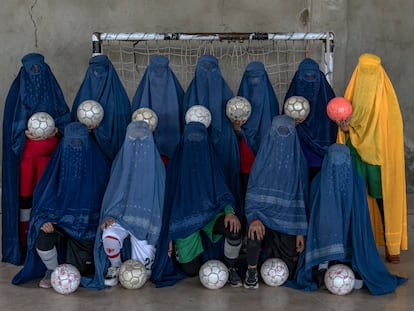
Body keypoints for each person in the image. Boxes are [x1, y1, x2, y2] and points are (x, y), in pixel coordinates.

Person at [292, 143, 407, 295]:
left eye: (342, 161)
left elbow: (360, 220)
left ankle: (352, 263)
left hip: (349, 238)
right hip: (324, 236)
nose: (337, 167)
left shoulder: (356, 182)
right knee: (325, 220)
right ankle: (323, 264)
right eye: (334, 161)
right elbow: (312, 219)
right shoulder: (318, 182)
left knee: (358, 284)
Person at [12, 122, 111, 288]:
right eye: (71, 144)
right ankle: (51, 270)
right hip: (60, 223)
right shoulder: (55, 169)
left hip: (86, 229)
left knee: (81, 270)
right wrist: (43, 220)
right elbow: (43, 200)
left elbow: (106, 207)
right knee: (43, 238)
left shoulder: (99, 171)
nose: (75, 149)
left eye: (80, 143)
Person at [152, 120, 243, 288]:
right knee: (191, 270)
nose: (195, 143)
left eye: (199, 138)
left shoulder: (211, 160)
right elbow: (169, 201)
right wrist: (169, 235)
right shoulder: (176, 165)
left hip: (211, 213)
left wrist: (230, 212)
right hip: (184, 219)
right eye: (190, 138)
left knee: (233, 229)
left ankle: (231, 268)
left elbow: (223, 190)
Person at [336, 53, 407, 264]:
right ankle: (351, 244)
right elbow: (347, 118)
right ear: (358, 73)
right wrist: (345, 128)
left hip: (379, 157)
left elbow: (392, 132)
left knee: (383, 198)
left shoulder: (388, 102)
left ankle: (391, 245)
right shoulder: (352, 94)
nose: (367, 76)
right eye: (364, 72)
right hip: (355, 151)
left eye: (372, 72)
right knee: (353, 196)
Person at [2, 53, 71, 265]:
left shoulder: (53, 91)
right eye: (31, 70)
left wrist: (56, 129)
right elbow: (11, 127)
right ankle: (24, 245)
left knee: (47, 199)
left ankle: (47, 245)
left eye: (39, 70)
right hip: (25, 160)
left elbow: (65, 117)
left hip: (49, 160)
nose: (36, 75)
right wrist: (24, 133)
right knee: (25, 202)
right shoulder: (17, 94)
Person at [85, 121, 166, 288]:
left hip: (147, 221)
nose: (137, 145)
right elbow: (113, 194)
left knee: (146, 273)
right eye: (132, 139)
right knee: (108, 235)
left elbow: (160, 199)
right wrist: (109, 216)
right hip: (120, 216)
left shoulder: (157, 166)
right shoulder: (120, 163)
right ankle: (115, 266)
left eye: (142, 139)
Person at [243, 115, 308, 289]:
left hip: (287, 220)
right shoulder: (261, 163)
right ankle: (251, 271)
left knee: (289, 268)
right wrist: (254, 218)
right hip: (261, 216)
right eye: (279, 132)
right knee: (254, 233)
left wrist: (299, 231)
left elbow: (300, 199)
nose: (282, 138)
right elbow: (251, 196)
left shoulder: (298, 164)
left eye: (287, 133)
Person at [183, 55, 242, 218]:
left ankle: (230, 222)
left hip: (224, 146)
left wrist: (237, 129)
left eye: (212, 71)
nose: (209, 77)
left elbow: (235, 124)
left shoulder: (228, 96)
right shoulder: (189, 97)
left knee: (226, 182)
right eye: (204, 71)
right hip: (198, 148)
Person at [234, 61, 280, 234]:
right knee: (244, 197)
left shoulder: (272, 103)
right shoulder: (238, 104)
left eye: (258, 79)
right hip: (244, 162)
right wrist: (237, 130)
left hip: (265, 163)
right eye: (251, 79)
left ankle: (258, 238)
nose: (255, 83)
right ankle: (245, 237)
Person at [284, 58, 337, 181]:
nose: (309, 82)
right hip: (298, 156)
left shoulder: (328, 100)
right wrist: (293, 124)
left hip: (322, 157)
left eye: (313, 78)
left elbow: (335, 128)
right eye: (305, 79)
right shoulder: (291, 101)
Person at [71, 54, 131, 161]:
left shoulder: (119, 98)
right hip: (89, 155)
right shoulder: (83, 96)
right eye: (94, 72)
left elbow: (122, 127)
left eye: (102, 72)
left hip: (114, 155)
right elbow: (73, 127)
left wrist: (101, 129)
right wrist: (84, 128)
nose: (98, 76)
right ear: (89, 72)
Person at [131, 55, 185, 165]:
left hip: (174, 154)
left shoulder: (179, 95)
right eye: (155, 73)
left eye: (162, 72)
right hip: (145, 154)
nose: (159, 78)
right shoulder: (141, 96)